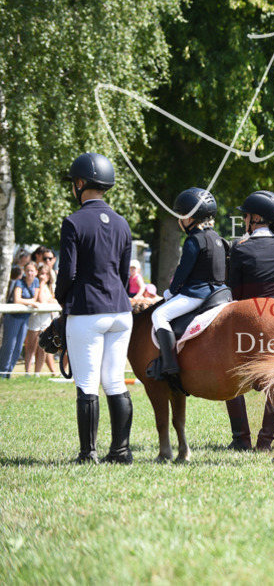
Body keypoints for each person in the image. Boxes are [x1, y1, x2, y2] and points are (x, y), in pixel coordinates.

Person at [55, 152, 134, 463]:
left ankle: (88, 454)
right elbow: (125, 273)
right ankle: (122, 452)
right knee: (114, 380)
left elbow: (68, 272)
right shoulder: (122, 223)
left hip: (87, 310)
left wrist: (62, 300)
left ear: (79, 183)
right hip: (120, 310)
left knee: (87, 383)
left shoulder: (73, 222)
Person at [224, 190, 274, 452]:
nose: (244, 219)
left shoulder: (239, 248)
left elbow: (233, 292)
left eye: (245, 215)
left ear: (256, 218)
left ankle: (241, 439)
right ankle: (265, 441)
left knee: (232, 375)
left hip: (246, 319)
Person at [146, 187, 228, 391]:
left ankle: (169, 364)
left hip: (198, 294)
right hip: (221, 292)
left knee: (159, 315)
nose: (179, 219)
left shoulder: (194, 240)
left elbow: (182, 271)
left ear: (191, 217)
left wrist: (171, 291)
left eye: (181, 215)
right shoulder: (217, 237)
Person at [1, 262, 39, 378]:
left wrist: (30, 302)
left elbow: (35, 297)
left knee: (18, 347)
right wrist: (30, 302)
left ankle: (9, 373)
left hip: (25, 318)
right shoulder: (19, 282)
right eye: (27, 270)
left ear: (36, 272)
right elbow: (17, 299)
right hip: (13, 317)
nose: (30, 273)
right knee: (9, 345)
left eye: (32, 271)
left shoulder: (36, 282)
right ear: (24, 271)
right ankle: (3, 372)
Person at [30, 263, 59, 375]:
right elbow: (42, 300)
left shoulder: (50, 287)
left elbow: (54, 300)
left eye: (46, 274)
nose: (44, 276)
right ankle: (28, 372)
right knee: (31, 347)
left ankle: (38, 372)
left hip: (46, 320)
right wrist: (41, 283)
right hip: (35, 319)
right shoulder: (38, 286)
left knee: (44, 347)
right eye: (41, 273)